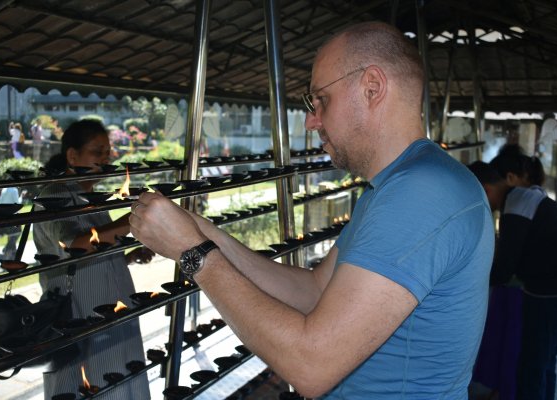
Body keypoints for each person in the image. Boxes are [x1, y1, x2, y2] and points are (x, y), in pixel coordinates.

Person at [130, 22, 494, 399]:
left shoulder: (421, 192)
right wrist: (202, 232)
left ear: (372, 87)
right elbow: (315, 291)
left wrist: (195, 256)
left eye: (320, 100)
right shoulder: (392, 188)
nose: (311, 120)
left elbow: (311, 365)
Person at [33, 119, 152, 400]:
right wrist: (131, 221)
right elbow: (74, 243)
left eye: (107, 153)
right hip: (79, 313)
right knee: (88, 382)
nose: (105, 159)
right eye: (97, 152)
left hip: (113, 308)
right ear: (72, 156)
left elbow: (98, 250)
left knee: (119, 377)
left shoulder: (90, 198)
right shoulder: (54, 196)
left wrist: (128, 256)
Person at [468, 161, 557, 400]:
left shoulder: (517, 204)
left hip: (551, 294)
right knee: (545, 363)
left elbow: (504, 267)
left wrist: (468, 281)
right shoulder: (525, 197)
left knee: (531, 366)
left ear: (485, 188)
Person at [0, 187, 25, 260]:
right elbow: (17, 203)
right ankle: (8, 252)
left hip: (5, 216)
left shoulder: (4, 189)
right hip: (14, 217)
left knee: (11, 236)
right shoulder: (14, 190)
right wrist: (22, 196)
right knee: (15, 235)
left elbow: (0, 203)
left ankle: (11, 254)